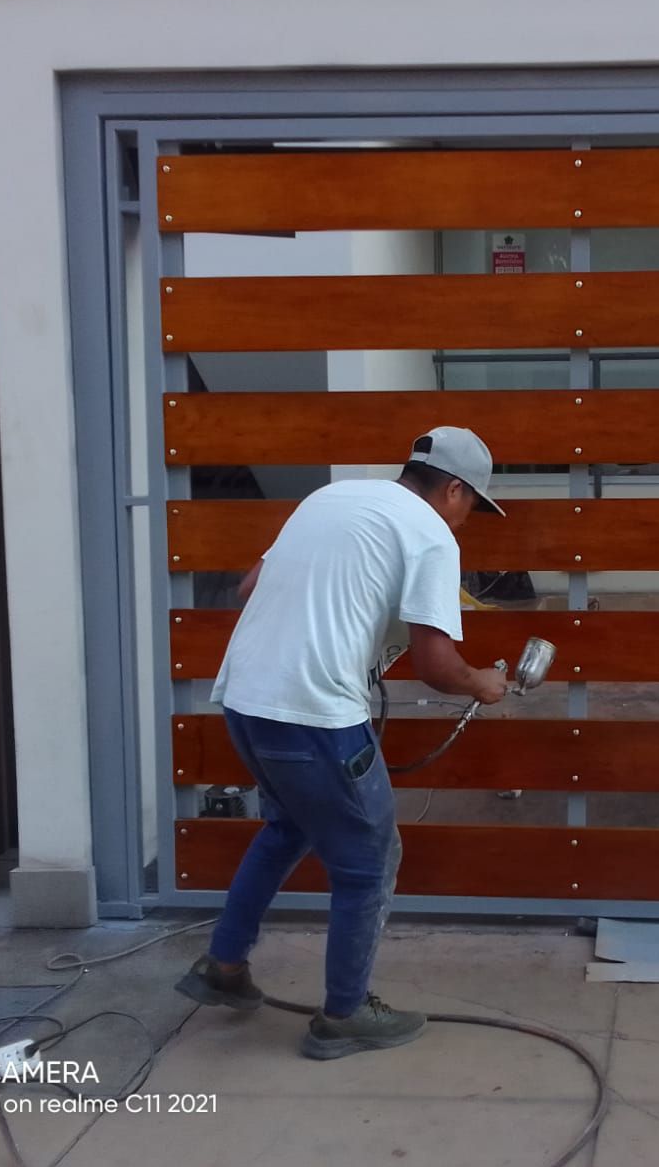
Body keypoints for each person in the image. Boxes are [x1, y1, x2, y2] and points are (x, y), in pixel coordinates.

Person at [175, 427, 509, 1060]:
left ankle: (222, 967)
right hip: (317, 718)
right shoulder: (432, 533)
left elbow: (250, 591)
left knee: (285, 830)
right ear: (455, 491)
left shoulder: (330, 498)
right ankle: (344, 1015)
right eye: (473, 507)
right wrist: (482, 683)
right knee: (369, 863)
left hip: (246, 703)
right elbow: (439, 666)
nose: (468, 522)